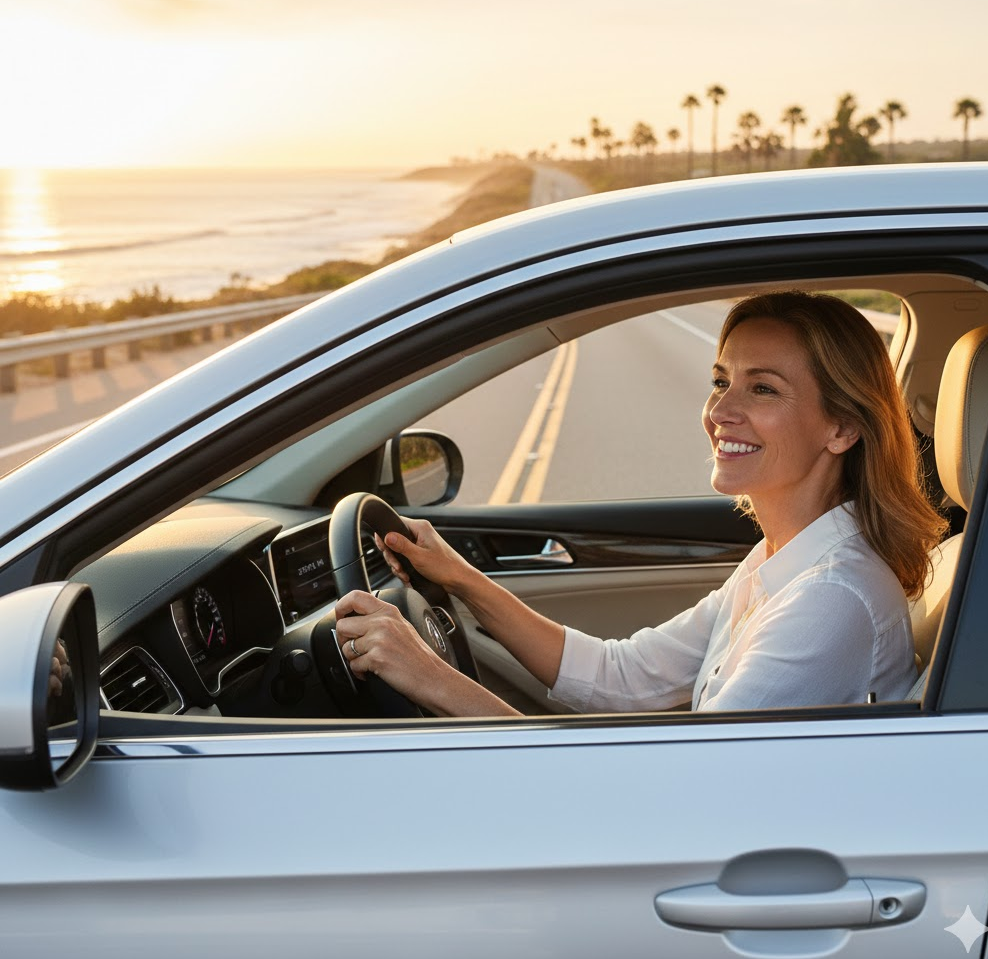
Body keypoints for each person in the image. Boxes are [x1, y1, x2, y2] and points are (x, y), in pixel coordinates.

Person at [335, 291, 946, 716]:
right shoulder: (784, 560)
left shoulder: (831, 599)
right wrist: (460, 578)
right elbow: (618, 677)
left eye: (762, 388)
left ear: (841, 428)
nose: (720, 411)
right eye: (720, 381)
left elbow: (670, 796)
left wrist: (429, 677)